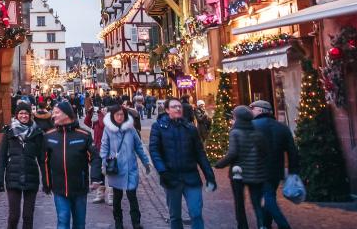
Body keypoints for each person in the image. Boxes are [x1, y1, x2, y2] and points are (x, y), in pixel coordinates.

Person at [149, 98, 216, 229]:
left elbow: (200, 153)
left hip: (191, 176)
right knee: (175, 216)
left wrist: (209, 175)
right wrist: (162, 171)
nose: (178, 109)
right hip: (171, 177)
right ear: (167, 110)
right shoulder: (158, 127)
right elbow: (154, 151)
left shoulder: (190, 128)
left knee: (196, 213)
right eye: (174, 107)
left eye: (179, 107)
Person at [43, 101, 96, 229]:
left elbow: (94, 158)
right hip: (59, 188)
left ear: (66, 114)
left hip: (79, 187)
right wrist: (47, 183)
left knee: (79, 223)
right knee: (63, 220)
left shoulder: (84, 135)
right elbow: (44, 161)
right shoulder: (49, 136)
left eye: (56, 112)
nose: (53, 116)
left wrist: (95, 178)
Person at [215, 105, 267, 229]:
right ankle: (262, 224)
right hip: (255, 171)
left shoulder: (235, 132)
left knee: (240, 203)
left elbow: (232, 153)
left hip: (238, 172)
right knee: (256, 201)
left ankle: (242, 226)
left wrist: (219, 164)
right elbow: (264, 151)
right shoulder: (257, 131)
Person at [101, 105, 151, 229]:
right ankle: (118, 222)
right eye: (117, 114)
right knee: (117, 197)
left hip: (130, 168)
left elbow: (138, 146)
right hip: (116, 168)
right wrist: (104, 162)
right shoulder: (108, 130)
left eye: (122, 114)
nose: (119, 117)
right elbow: (104, 147)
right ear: (112, 116)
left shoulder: (131, 129)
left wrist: (145, 162)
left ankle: (136, 222)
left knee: (132, 196)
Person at [251, 100, 299, 229]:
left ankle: (281, 224)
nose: (251, 112)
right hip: (276, 171)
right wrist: (293, 171)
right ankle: (266, 224)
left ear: (261, 110)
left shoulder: (251, 126)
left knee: (264, 198)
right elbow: (292, 151)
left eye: (253, 109)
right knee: (269, 195)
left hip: (257, 170)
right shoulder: (282, 127)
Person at [0, 102, 46, 229]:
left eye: (26, 113)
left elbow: (42, 159)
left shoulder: (37, 132)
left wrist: (46, 180)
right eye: (21, 113)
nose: (23, 116)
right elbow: (2, 157)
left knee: (28, 216)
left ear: (30, 115)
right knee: (14, 216)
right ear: (16, 115)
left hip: (31, 177)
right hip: (13, 176)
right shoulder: (9, 132)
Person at [83, 105, 107, 203]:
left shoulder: (107, 121)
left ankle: (111, 195)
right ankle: (100, 194)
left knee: (108, 172)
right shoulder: (96, 121)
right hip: (97, 148)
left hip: (106, 148)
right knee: (99, 172)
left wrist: (101, 114)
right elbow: (87, 122)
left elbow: (102, 125)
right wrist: (89, 113)